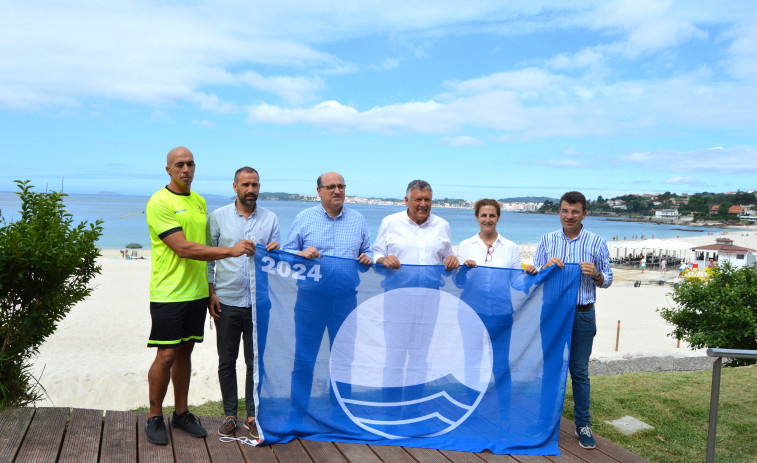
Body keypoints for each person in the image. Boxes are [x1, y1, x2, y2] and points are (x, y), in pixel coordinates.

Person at [144, 146, 255, 446]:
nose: (186, 169)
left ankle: (181, 413)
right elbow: (182, 247)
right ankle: (155, 415)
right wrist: (230, 251)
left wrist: (210, 291)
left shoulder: (199, 201)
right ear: (168, 169)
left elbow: (201, 249)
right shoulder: (159, 202)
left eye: (190, 164)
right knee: (165, 355)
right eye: (179, 164)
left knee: (185, 353)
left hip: (196, 292)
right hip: (168, 292)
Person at [282, 171, 372, 428]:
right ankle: (296, 416)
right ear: (319, 191)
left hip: (345, 301)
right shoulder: (304, 218)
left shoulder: (358, 219)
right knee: (304, 359)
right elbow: (286, 254)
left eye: (341, 186)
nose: (337, 191)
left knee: (344, 360)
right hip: (310, 301)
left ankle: (342, 417)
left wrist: (368, 257)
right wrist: (300, 252)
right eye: (331, 187)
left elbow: (368, 251)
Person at [525, 191, 612, 450]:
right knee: (550, 367)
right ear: (559, 212)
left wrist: (596, 274)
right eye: (565, 210)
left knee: (580, 372)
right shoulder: (547, 240)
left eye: (575, 211)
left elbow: (608, 279)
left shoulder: (596, 242)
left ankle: (582, 424)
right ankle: (544, 420)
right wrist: (543, 267)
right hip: (552, 311)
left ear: (584, 213)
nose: (569, 216)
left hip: (582, 313)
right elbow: (535, 276)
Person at [207, 167, 280, 439]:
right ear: (235, 186)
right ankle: (229, 415)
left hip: (258, 303)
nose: (251, 189)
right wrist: (210, 293)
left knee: (254, 362)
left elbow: (276, 263)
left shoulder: (270, 219)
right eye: (246, 184)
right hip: (225, 301)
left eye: (255, 185)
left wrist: (274, 251)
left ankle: (251, 416)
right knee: (226, 361)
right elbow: (209, 259)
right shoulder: (217, 217)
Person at [372, 179, 459, 270]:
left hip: (432, 284)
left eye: (427, 200)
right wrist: (383, 260)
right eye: (418, 200)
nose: (423, 204)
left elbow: (447, 256)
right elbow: (377, 253)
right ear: (406, 201)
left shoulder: (443, 225)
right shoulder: (389, 222)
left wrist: (451, 260)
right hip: (397, 284)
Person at [456, 198, 521, 269]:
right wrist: (465, 268)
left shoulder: (511, 247)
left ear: (498, 217)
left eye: (492, 216)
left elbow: (517, 277)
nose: (488, 220)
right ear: (477, 217)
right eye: (484, 215)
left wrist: (529, 272)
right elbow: (458, 277)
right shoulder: (464, 246)